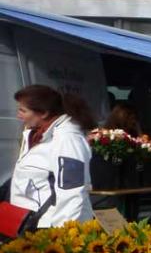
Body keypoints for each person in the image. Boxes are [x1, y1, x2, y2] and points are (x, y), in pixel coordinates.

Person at [11, 85, 96, 227]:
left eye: (23, 110)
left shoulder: (67, 139)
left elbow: (72, 191)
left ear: (43, 113)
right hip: (30, 224)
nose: (18, 115)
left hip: (50, 228)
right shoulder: (35, 134)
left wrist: (60, 235)